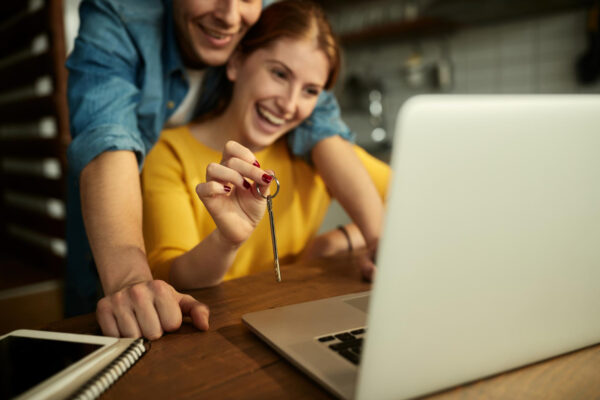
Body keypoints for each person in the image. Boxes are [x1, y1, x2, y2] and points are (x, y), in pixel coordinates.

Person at [66, 0, 383, 339]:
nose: (230, 16)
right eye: (279, 75)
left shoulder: (274, 26)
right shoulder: (122, 15)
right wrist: (131, 280)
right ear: (236, 63)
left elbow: (320, 118)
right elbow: (107, 135)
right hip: (115, 220)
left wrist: (348, 239)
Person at [141, 0, 390, 290]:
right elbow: (169, 276)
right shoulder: (169, 153)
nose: (289, 105)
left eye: (310, 91)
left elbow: (414, 201)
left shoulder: (320, 154)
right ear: (236, 63)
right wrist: (226, 241)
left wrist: (338, 239)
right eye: (279, 74)